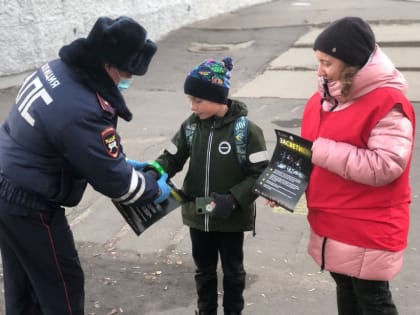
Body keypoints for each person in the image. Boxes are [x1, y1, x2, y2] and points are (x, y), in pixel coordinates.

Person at [0, 16, 171, 314]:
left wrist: (117, 161)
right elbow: (115, 182)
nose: (125, 81)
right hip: (30, 203)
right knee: (62, 285)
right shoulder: (83, 107)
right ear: (108, 65)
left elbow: (64, 141)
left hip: (7, 180)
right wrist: (152, 188)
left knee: (24, 283)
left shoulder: (55, 69)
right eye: (125, 74)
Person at [129, 57, 269, 315]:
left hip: (230, 217)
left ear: (219, 97)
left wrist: (234, 199)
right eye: (190, 100)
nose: (192, 107)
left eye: (198, 100)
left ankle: (233, 310)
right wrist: (152, 172)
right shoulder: (191, 127)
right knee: (203, 270)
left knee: (233, 271)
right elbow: (171, 157)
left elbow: (261, 174)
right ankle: (205, 310)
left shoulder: (247, 131)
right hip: (197, 213)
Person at [301, 16, 415, 314]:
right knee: (346, 290)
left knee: (372, 300)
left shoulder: (387, 103)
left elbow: (386, 164)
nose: (320, 70)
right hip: (333, 218)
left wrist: (321, 150)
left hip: (368, 224)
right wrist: (285, 184)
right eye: (319, 61)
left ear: (349, 62)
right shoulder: (324, 99)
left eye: (327, 62)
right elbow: (306, 154)